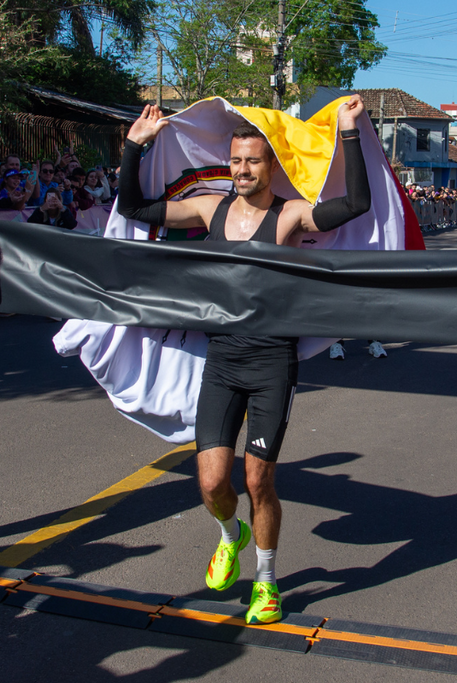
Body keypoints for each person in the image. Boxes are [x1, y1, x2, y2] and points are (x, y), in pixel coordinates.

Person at [116, 96, 371, 625]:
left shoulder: (290, 215)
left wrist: (348, 131)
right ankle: (230, 536)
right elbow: (134, 209)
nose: (241, 171)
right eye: (235, 161)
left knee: (259, 482)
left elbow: (355, 206)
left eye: (252, 161)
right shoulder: (210, 207)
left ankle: (268, 581)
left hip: (273, 365)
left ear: (271, 164)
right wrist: (133, 148)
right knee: (212, 483)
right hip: (223, 363)